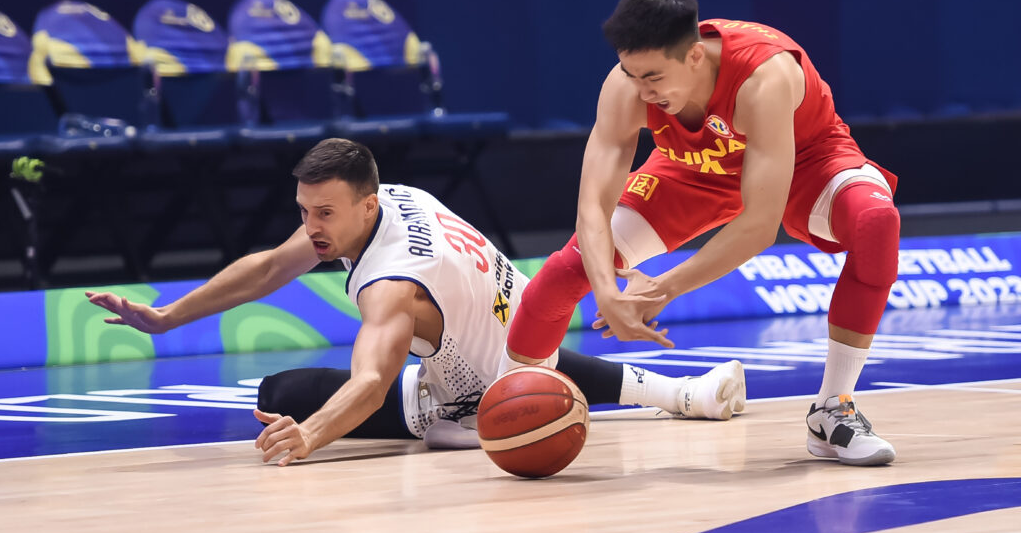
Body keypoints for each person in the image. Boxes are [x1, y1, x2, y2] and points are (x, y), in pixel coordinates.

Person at [85, 138, 746, 466]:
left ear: (364, 206)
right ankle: (685, 393)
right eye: (304, 211)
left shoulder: (390, 287)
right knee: (285, 383)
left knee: (291, 398)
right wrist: (170, 316)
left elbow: (371, 383)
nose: (312, 226)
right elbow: (270, 268)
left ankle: (675, 395)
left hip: (485, 390)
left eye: (323, 213)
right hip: (515, 321)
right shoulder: (386, 199)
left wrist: (306, 438)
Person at [503, 0, 900, 467]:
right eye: (632, 74)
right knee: (566, 274)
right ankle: (502, 403)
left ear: (694, 56)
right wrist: (606, 291)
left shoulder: (764, 77)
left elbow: (758, 226)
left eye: (653, 78)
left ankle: (831, 411)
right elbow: (592, 207)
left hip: (805, 161)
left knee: (877, 223)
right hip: (693, 170)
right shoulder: (625, 86)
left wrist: (662, 290)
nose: (642, 91)